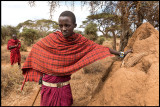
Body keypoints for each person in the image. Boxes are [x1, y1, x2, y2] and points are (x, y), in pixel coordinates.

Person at [21, 11, 132, 106]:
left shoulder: (80, 41)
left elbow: (101, 48)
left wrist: (122, 54)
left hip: (63, 88)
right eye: (61, 25)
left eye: (67, 25)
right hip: (47, 88)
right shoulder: (52, 38)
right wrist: (41, 71)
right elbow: (36, 49)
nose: (63, 29)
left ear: (75, 25)